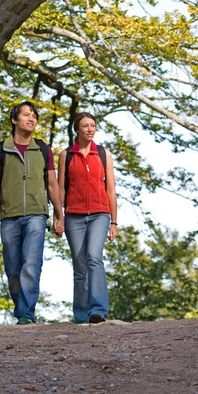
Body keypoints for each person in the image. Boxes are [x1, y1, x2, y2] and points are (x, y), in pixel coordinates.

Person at [0, 101, 64, 325]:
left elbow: (51, 184)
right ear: (14, 120)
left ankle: (25, 314)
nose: (31, 119)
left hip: (36, 215)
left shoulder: (42, 149)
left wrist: (59, 214)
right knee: (13, 269)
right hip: (9, 215)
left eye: (34, 115)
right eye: (26, 115)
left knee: (31, 263)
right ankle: (22, 307)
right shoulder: (0, 150)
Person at [58, 112, 118, 325]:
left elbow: (111, 189)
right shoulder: (66, 155)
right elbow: (60, 189)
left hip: (100, 215)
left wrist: (114, 222)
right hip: (73, 216)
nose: (90, 129)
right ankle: (81, 315)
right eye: (85, 126)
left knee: (94, 257)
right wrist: (59, 216)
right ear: (77, 129)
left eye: (93, 125)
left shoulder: (103, 154)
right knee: (79, 264)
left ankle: (98, 311)